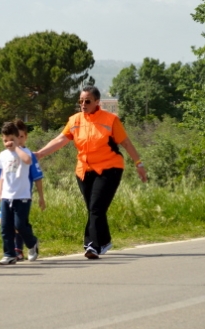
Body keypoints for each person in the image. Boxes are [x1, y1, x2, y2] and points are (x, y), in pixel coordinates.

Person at [35, 86, 147, 259]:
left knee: (95, 208)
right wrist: (40, 154)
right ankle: (105, 240)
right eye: (80, 101)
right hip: (84, 170)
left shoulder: (110, 120)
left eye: (87, 101)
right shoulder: (75, 120)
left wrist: (139, 164)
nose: (83, 104)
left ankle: (92, 245)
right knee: (95, 209)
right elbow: (61, 139)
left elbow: (126, 143)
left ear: (96, 102)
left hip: (109, 168)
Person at [0, 119, 45, 261]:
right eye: (5, 140)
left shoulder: (24, 152)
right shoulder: (3, 155)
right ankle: (9, 254)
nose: (8, 143)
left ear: (18, 138)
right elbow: (2, 175)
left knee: (20, 225)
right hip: (6, 196)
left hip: (22, 196)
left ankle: (32, 243)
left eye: (12, 139)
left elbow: (27, 160)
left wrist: (15, 147)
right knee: (5, 227)